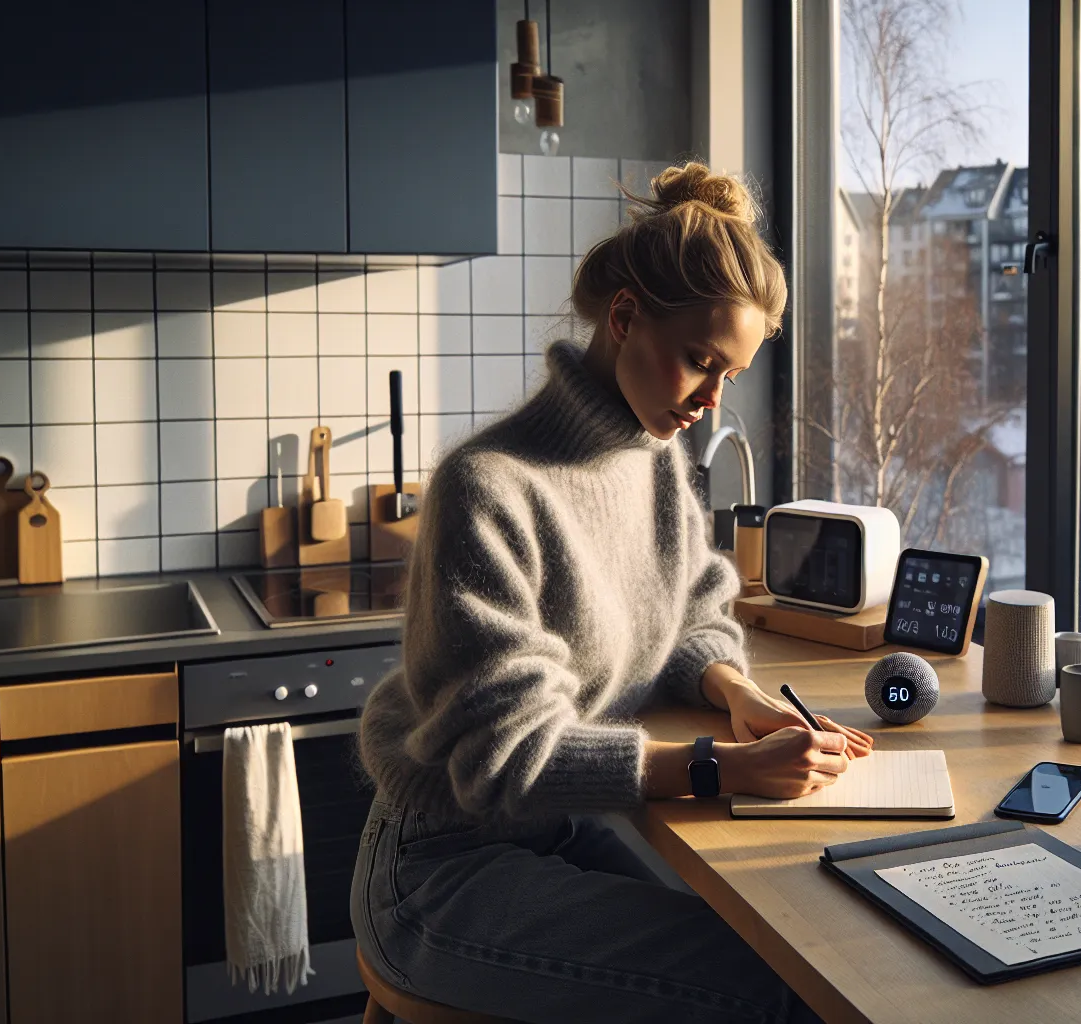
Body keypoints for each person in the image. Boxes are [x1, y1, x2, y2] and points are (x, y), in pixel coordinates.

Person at [352, 162, 873, 1024]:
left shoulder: (659, 464)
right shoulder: (488, 486)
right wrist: (718, 767)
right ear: (625, 318)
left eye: (729, 376)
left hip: (552, 833)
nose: (710, 400)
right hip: (440, 869)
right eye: (700, 363)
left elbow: (695, 610)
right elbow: (503, 760)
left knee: (797, 953)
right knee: (777, 994)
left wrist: (737, 696)